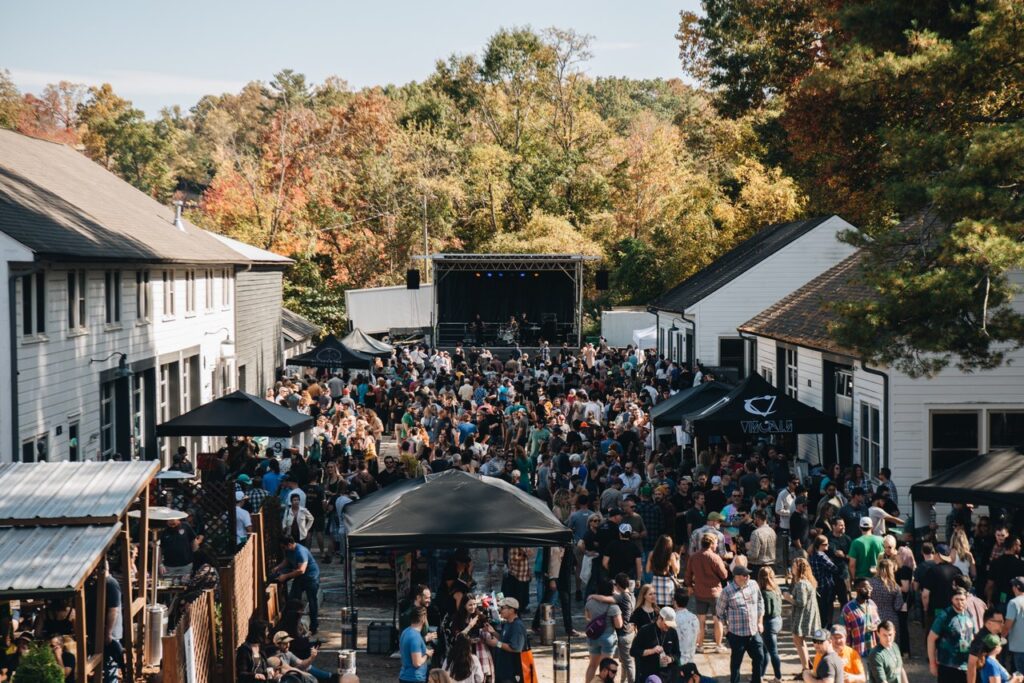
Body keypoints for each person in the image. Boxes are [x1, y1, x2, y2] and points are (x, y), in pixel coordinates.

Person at [716, 565, 765, 683]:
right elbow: (719, 612)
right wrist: (726, 627)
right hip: (737, 635)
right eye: (744, 575)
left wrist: (760, 621)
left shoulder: (753, 585)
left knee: (759, 657)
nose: (747, 577)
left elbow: (760, 602)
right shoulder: (727, 591)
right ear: (737, 577)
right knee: (736, 664)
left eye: (748, 574)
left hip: (753, 632)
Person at [683, 533, 728, 653]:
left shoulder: (694, 557)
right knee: (717, 619)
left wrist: (689, 585)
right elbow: (724, 575)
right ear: (712, 544)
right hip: (715, 593)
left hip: (700, 592)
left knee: (700, 620)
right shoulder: (715, 557)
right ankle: (718, 645)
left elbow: (687, 574)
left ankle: (700, 645)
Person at [272, 537, 321, 634]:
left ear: (290, 544)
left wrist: (285, 576)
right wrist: (278, 567)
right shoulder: (289, 550)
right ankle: (291, 625)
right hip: (300, 577)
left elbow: (301, 570)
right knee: (293, 599)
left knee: (312, 601)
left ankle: (314, 626)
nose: (284, 549)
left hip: (311, 577)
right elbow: (287, 560)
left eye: (284, 547)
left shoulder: (301, 552)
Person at [928, 587, 977, 683]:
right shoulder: (944, 616)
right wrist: (932, 663)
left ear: (966, 599)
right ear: (952, 599)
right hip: (947, 665)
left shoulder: (969, 615)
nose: (959, 602)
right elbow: (931, 639)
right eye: (957, 599)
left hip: (965, 665)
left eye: (962, 599)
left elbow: (973, 636)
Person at [583, 579, 623, 683]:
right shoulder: (613, 607)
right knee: (606, 668)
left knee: (592, 665)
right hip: (608, 639)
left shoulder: (590, 602)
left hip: (593, 637)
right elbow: (619, 625)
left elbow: (587, 618)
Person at [787, 558, 822, 672]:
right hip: (809, 614)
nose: (791, 568)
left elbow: (801, 602)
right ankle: (807, 666)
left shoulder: (801, 584)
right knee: (801, 641)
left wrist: (788, 598)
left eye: (793, 566)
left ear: (798, 568)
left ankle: (805, 668)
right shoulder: (808, 581)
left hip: (803, 616)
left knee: (798, 641)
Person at [481, 597, 527, 683]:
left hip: (511, 673)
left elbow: (516, 648)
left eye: (502, 608)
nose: (499, 610)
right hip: (503, 670)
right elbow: (504, 640)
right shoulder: (507, 623)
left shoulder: (517, 626)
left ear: (512, 610)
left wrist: (497, 644)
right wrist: (493, 632)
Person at [629, 607, 680, 683]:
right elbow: (633, 651)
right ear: (660, 618)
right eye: (666, 624)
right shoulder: (644, 630)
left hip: (666, 676)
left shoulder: (672, 632)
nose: (668, 626)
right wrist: (652, 651)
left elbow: (677, 654)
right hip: (648, 675)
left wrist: (670, 659)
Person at [758, 567, 784, 683]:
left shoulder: (764, 593)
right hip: (778, 621)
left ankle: (778, 677)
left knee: (772, 651)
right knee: (766, 650)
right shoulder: (776, 589)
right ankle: (760, 675)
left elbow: (765, 612)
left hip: (769, 623)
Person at [842, 579, 880, 657]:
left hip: (873, 652)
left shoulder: (872, 605)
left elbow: (878, 624)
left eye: (870, 588)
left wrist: (876, 626)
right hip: (857, 653)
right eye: (865, 588)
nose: (869, 590)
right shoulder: (848, 609)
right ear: (857, 589)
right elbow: (846, 634)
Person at [400, 607, 434, 683]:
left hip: (405, 676)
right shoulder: (415, 637)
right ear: (423, 619)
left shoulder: (405, 631)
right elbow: (417, 663)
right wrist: (427, 654)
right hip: (414, 678)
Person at [673, 589, 700, 667]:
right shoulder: (694, 617)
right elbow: (698, 638)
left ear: (674, 601)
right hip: (691, 659)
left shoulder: (673, 619)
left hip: (678, 661)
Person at [1005, 577, 1024, 673]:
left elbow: (1008, 625)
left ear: (1016, 588)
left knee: (1020, 676)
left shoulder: (1014, 603)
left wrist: (1001, 636)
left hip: (1020, 648)